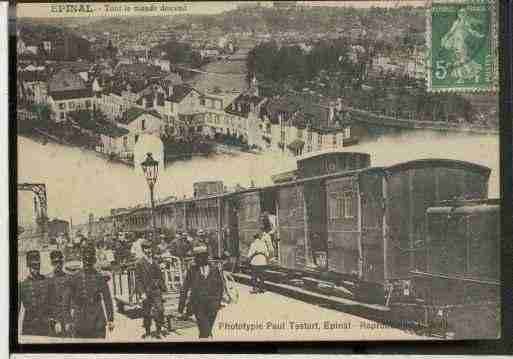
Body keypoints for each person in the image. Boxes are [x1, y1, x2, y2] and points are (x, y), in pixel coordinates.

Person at [68, 243, 114, 338]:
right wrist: (69, 319)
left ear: (94, 261)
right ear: (82, 260)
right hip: (80, 321)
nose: (87, 264)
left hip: (97, 320)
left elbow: (107, 299)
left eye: (90, 261)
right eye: (85, 260)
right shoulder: (75, 277)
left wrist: (110, 319)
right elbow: (69, 298)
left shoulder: (100, 277)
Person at [178, 246, 224, 339]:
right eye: (198, 256)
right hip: (198, 305)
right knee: (205, 330)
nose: (200, 259)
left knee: (205, 332)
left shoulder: (215, 269)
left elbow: (220, 286)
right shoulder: (192, 270)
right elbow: (184, 288)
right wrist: (181, 308)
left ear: (206, 256)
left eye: (203, 256)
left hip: (212, 306)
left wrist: (217, 301)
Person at [135, 240, 167, 339]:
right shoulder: (140, 262)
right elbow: (138, 279)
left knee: (160, 310)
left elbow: (160, 276)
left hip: (156, 290)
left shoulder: (155, 261)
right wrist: (142, 293)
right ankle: (148, 332)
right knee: (147, 312)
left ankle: (158, 331)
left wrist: (162, 288)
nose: (149, 251)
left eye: (150, 248)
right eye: (146, 249)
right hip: (146, 291)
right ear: (143, 250)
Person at [18, 250, 51, 336]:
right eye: (33, 266)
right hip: (30, 324)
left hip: (45, 323)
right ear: (29, 266)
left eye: (37, 266)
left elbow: (52, 302)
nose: (36, 268)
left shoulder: (46, 281)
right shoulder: (22, 284)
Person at [48, 250, 72, 337]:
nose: (58, 265)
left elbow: (72, 302)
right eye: (55, 262)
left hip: (68, 321)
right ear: (51, 263)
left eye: (60, 262)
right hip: (53, 321)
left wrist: (69, 320)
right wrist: (55, 320)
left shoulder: (69, 278)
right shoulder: (47, 280)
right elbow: (47, 303)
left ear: (63, 263)